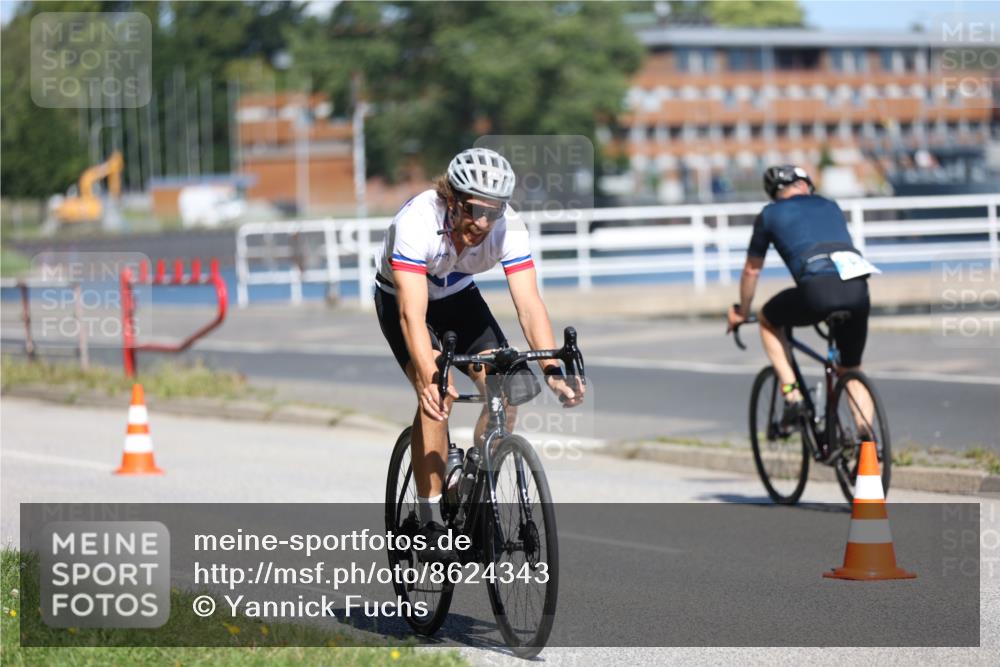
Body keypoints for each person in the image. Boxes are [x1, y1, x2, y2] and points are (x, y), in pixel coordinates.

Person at [375, 147, 584, 559]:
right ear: (451, 199)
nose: (484, 223)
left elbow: (529, 304)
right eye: (475, 210)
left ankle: (473, 482)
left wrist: (552, 368)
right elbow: (412, 317)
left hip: (457, 298)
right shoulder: (417, 222)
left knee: (506, 384)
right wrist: (429, 376)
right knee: (440, 392)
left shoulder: (508, 227)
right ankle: (430, 516)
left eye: (495, 211)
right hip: (403, 299)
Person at [727, 165, 877, 448]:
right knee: (850, 368)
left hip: (817, 291)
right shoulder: (830, 205)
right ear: (806, 185)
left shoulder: (770, 214)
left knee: (768, 319)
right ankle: (866, 437)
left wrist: (741, 311)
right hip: (858, 288)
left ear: (775, 192)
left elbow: (751, 271)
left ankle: (792, 394)